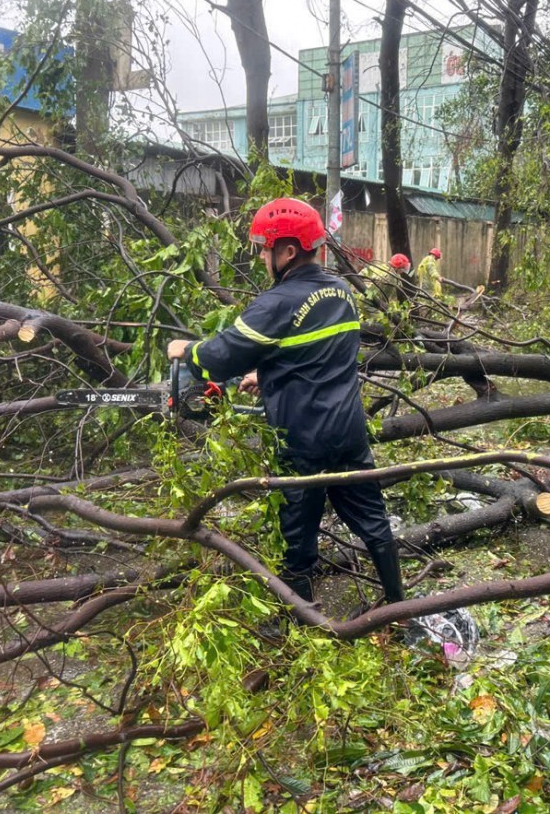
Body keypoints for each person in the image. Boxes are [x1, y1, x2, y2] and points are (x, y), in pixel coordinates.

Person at [166, 197, 405, 610]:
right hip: (347, 430)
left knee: (296, 533)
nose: (262, 255)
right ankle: (399, 605)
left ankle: (298, 624)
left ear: (288, 250)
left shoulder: (275, 303)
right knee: (373, 522)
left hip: (301, 439)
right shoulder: (342, 292)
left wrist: (186, 350)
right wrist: (271, 372)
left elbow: (221, 357)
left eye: (265, 247)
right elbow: (321, 352)